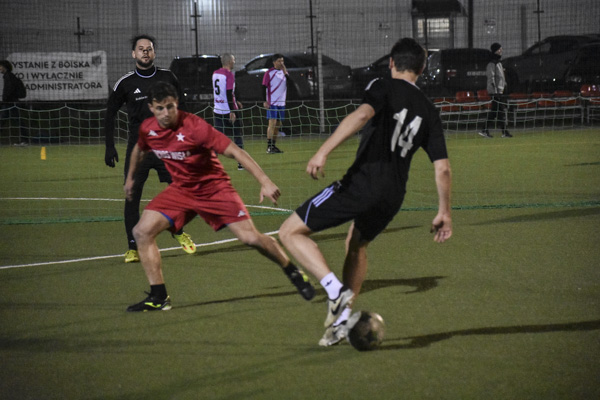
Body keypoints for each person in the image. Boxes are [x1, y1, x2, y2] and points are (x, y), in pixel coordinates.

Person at [278, 38, 453, 346]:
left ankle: (335, 291)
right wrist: (444, 212)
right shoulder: (429, 110)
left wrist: (323, 151)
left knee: (289, 232)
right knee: (356, 244)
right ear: (422, 68)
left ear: (391, 63)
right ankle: (340, 323)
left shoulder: (382, 85)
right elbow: (443, 168)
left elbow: (361, 115)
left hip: (363, 183)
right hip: (393, 196)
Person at [123, 81, 315, 311]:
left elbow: (235, 151)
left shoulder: (195, 126)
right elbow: (139, 149)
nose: (166, 113)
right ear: (151, 108)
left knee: (250, 238)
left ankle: (292, 271)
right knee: (141, 232)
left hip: (214, 188)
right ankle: (158, 296)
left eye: (170, 107)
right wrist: (130, 178)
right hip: (181, 190)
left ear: (177, 104)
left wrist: (265, 181)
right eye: (160, 108)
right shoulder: (148, 128)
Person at [104, 34, 196, 263]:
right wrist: (109, 146)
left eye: (149, 48)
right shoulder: (125, 83)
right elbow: (109, 113)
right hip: (139, 151)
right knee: (131, 198)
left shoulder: (168, 77)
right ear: (133, 54)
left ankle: (177, 230)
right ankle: (132, 247)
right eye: (141, 48)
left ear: (154, 53)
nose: (145, 52)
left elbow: (183, 109)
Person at [212, 53, 244, 170]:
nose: (234, 62)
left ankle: (211, 163)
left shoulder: (215, 73)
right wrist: (232, 111)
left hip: (217, 109)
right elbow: (229, 93)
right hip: (229, 110)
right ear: (230, 61)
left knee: (218, 137)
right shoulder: (229, 74)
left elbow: (221, 92)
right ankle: (241, 163)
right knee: (237, 135)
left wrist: (237, 100)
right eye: (233, 60)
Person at [479, 43, 512, 138]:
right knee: (499, 111)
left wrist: (504, 86)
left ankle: (487, 130)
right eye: (499, 50)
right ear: (495, 51)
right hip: (495, 92)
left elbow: (500, 77)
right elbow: (491, 78)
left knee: (496, 111)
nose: (501, 51)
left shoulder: (498, 63)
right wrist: (495, 91)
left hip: (499, 91)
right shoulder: (492, 64)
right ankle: (503, 132)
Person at [262, 53, 290, 154]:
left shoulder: (284, 73)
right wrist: (265, 101)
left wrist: (285, 72)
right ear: (274, 62)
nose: (281, 63)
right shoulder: (269, 73)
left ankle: (273, 145)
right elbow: (263, 87)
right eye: (279, 61)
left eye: (282, 61)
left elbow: (290, 83)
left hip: (281, 103)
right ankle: (269, 146)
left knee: (278, 124)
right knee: (272, 123)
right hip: (272, 102)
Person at [0, 60, 28, 145]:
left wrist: (4, 100)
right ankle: (24, 139)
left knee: (5, 120)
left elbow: (8, 90)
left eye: (0, 66)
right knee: (17, 121)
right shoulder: (10, 76)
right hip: (11, 103)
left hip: (10, 103)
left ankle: (24, 139)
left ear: (5, 67)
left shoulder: (8, 77)